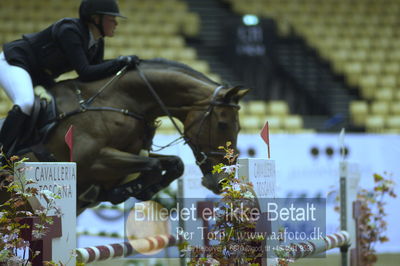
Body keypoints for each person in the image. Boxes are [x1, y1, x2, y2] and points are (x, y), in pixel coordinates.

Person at [0, 0, 139, 156]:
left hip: (40, 77)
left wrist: (123, 64)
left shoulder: (96, 41)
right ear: (95, 18)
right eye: (111, 18)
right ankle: (2, 154)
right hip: (15, 62)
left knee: (53, 108)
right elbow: (86, 72)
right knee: (25, 102)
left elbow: (98, 71)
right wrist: (120, 61)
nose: (116, 23)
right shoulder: (69, 31)